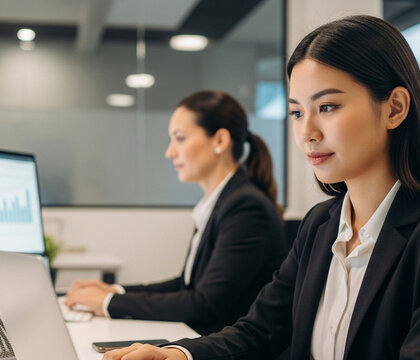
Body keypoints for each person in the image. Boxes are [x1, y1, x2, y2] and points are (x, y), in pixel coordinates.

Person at [102, 15, 420, 360]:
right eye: (296, 112)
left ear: (395, 108)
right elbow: (258, 332)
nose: (307, 132)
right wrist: (177, 354)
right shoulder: (321, 225)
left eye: (327, 107)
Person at [65, 90, 286, 335]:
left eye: (179, 138)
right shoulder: (220, 202)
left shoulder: (245, 207)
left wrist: (108, 303)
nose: (170, 152)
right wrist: (114, 292)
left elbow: (204, 305)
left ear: (220, 141)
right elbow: (185, 285)